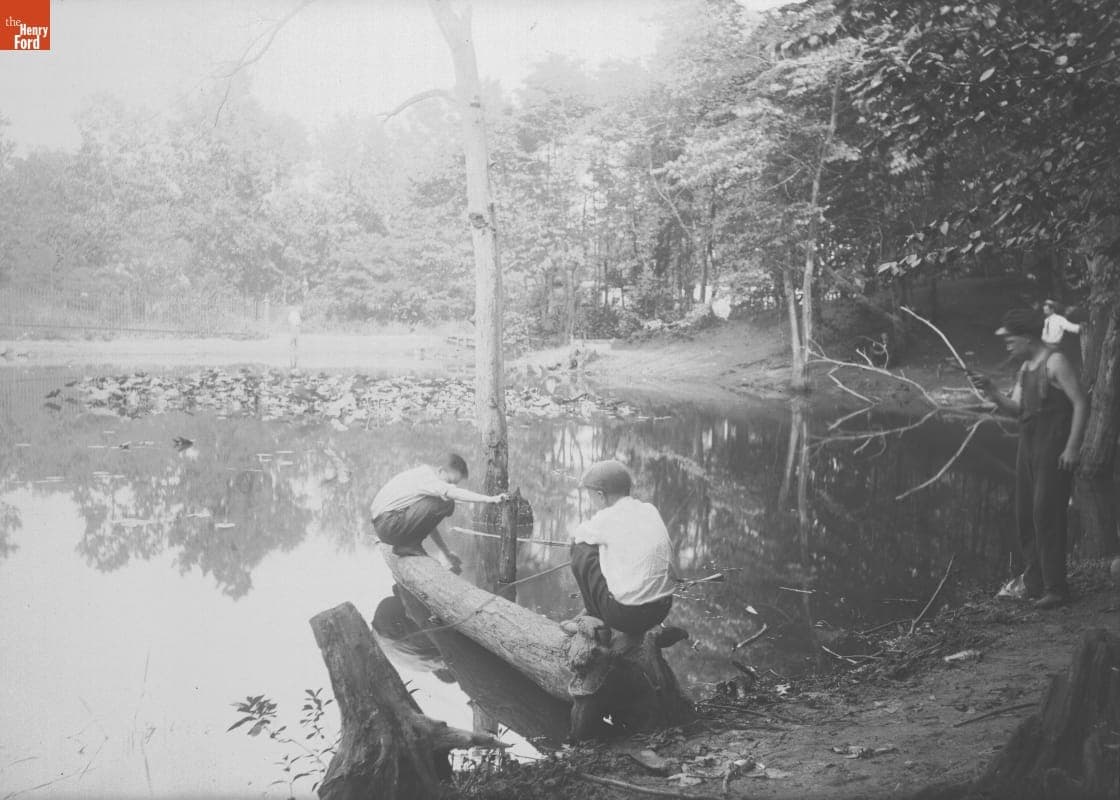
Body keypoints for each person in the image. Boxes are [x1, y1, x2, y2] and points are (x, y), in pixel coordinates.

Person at [968, 308, 1088, 609]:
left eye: (1011, 340)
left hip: (1053, 451)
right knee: (1026, 515)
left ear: (1027, 338)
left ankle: (1056, 589)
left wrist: (1073, 447)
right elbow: (1017, 410)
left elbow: (1081, 403)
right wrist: (992, 391)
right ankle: (1035, 582)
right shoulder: (1025, 369)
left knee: (1047, 514)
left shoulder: (1055, 362)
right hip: (1028, 450)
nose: (1008, 346)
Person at [569, 459, 682, 644]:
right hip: (662, 608)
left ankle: (595, 620)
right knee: (600, 546)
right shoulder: (649, 510)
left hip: (629, 617)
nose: (592, 501)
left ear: (600, 495)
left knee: (580, 548)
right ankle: (640, 630)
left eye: (591, 496)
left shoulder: (608, 518)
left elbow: (578, 535)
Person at [370, 453, 505, 569]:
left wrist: (446, 552)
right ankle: (407, 546)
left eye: (454, 484)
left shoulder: (424, 479)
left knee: (443, 501)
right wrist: (489, 499)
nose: (451, 486)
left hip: (386, 527)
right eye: (450, 481)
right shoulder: (428, 478)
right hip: (389, 524)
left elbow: (424, 524)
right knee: (447, 502)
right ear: (440, 471)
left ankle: (408, 545)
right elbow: (453, 494)